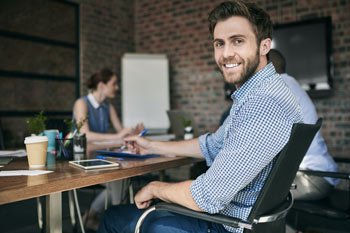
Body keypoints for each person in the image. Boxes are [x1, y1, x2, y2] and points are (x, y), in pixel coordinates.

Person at [98, 1, 303, 233]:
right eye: (219, 43)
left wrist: (155, 188)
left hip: (227, 226)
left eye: (238, 41)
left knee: (113, 217)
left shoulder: (263, 103)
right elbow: (211, 145)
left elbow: (208, 197)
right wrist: (150, 146)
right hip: (239, 219)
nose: (226, 54)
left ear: (264, 46)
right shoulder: (262, 92)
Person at [73, 68, 144, 230]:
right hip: (84, 159)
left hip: (102, 157)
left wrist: (134, 133)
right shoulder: (82, 103)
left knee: (122, 180)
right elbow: (85, 134)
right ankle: (112, 221)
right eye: (114, 84)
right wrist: (119, 136)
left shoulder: (108, 106)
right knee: (119, 183)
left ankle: (95, 218)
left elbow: (121, 131)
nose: (117, 87)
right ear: (101, 85)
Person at [269, 49, 338, 200]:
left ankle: (285, 225)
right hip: (318, 175)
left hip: (311, 178)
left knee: (253, 198)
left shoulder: (278, 90)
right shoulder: (290, 84)